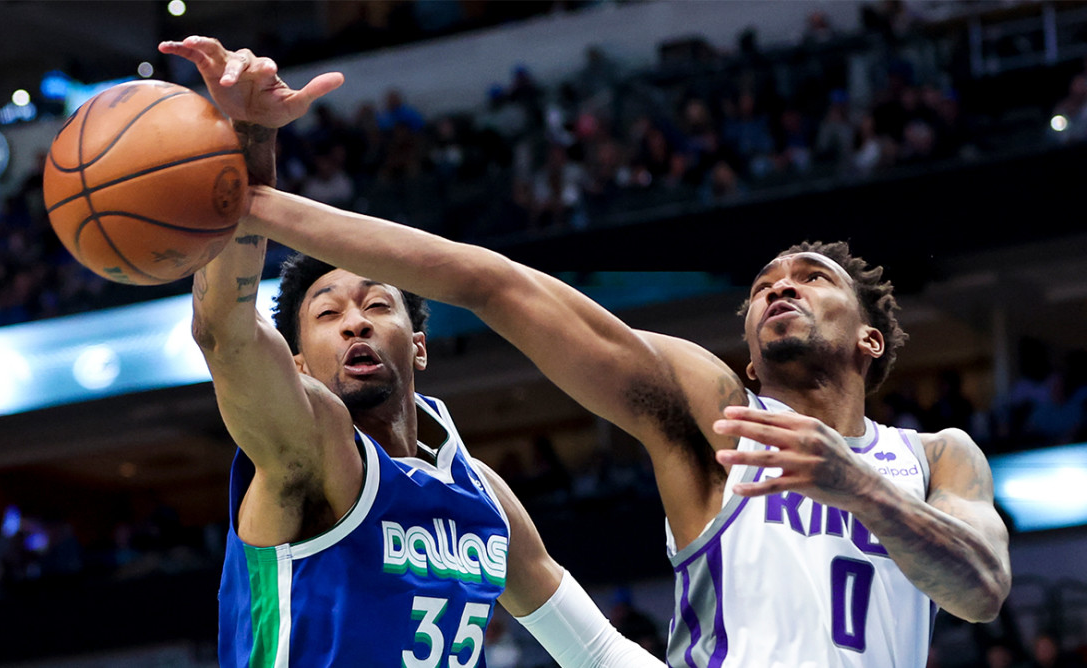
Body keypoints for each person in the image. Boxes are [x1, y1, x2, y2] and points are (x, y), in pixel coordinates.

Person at [220, 44, 1013, 668]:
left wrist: (857, 487)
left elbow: (980, 589)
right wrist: (256, 198)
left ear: (870, 339)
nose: (780, 288)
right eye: (764, 283)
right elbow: (495, 285)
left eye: (812, 279)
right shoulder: (718, 415)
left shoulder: (939, 457)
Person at [158, 36, 664, 668]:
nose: (354, 325)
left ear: (419, 346)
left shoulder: (482, 493)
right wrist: (250, 141)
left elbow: (597, 652)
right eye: (328, 313)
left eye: (375, 305)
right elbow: (223, 332)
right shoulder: (309, 447)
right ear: (295, 364)